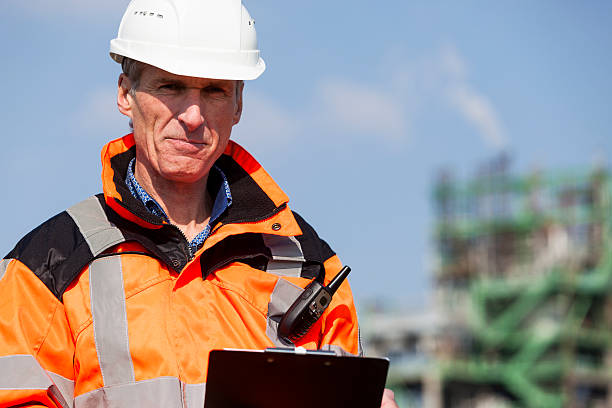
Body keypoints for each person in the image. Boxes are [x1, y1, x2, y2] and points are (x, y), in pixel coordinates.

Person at [0, 1, 398, 407]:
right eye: (170, 86)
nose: (193, 116)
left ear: (238, 104)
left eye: (214, 91)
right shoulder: (46, 267)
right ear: (125, 94)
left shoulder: (308, 265)